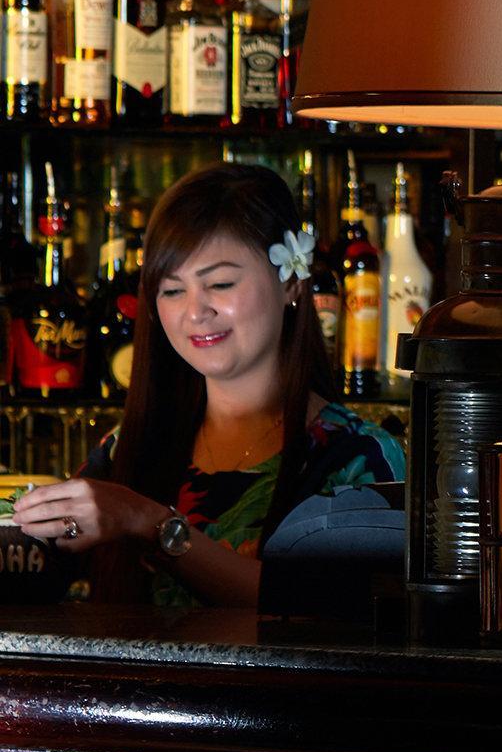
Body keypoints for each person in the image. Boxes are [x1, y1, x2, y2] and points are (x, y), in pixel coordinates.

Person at [13, 162, 405, 612]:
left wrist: (151, 524)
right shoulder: (131, 448)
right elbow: (40, 568)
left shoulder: (361, 460)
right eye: (172, 290)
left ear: (293, 283)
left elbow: (331, 616)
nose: (195, 312)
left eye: (219, 283)